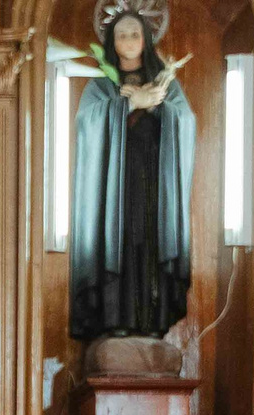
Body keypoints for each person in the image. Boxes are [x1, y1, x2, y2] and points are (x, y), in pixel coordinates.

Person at [68, 1, 196, 343]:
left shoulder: (164, 80)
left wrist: (159, 107)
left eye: (134, 33)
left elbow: (187, 121)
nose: (128, 39)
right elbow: (86, 123)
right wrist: (125, 105)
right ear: (112, 40)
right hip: (114, 186)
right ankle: (115, 319)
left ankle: (152, 320)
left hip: (155, 181)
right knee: (119, 242)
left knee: (150, 244)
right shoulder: (101, 84)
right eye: (121, 33)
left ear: (145, 40)